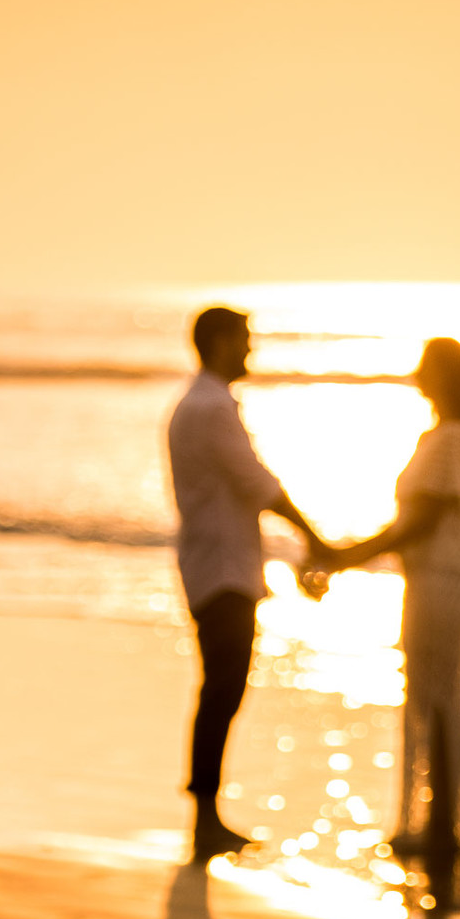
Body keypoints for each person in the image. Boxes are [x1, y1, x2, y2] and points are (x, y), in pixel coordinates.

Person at [319, 337, 460, 912]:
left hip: (439, 582)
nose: (418, 376)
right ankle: (431, 823)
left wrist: (342, 557)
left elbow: (416, 524)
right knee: (428, 698)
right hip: (427, 583)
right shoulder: (441, 438)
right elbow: (411, 525)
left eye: (427, 368)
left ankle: (439, 829)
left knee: (435, 701)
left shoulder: (451, 439)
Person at [167, 305, 326, 863]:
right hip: (222, 571)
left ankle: (207, 816)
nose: (251, 349)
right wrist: (316, 538)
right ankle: (204, 819)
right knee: (222, 691)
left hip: (215, 564)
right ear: (218, 343)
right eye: (244, 339)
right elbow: (256, 483)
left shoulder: (200, 404)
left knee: (221, 690)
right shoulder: (211, 409)